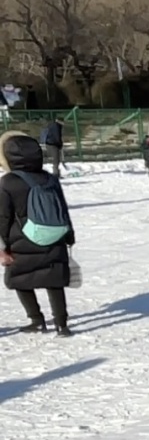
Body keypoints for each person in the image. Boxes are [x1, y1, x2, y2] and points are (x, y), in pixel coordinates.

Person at [1, 131, 75, 336]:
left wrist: (2, 247)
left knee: (20, 280)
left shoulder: (8, 182)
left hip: (22, 240)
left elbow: (3, 218)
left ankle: (37, 320)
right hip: (55, 236)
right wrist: (69, 235)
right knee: (54, 281)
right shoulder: (50, 179)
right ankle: (62, 325)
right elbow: (62, 208)